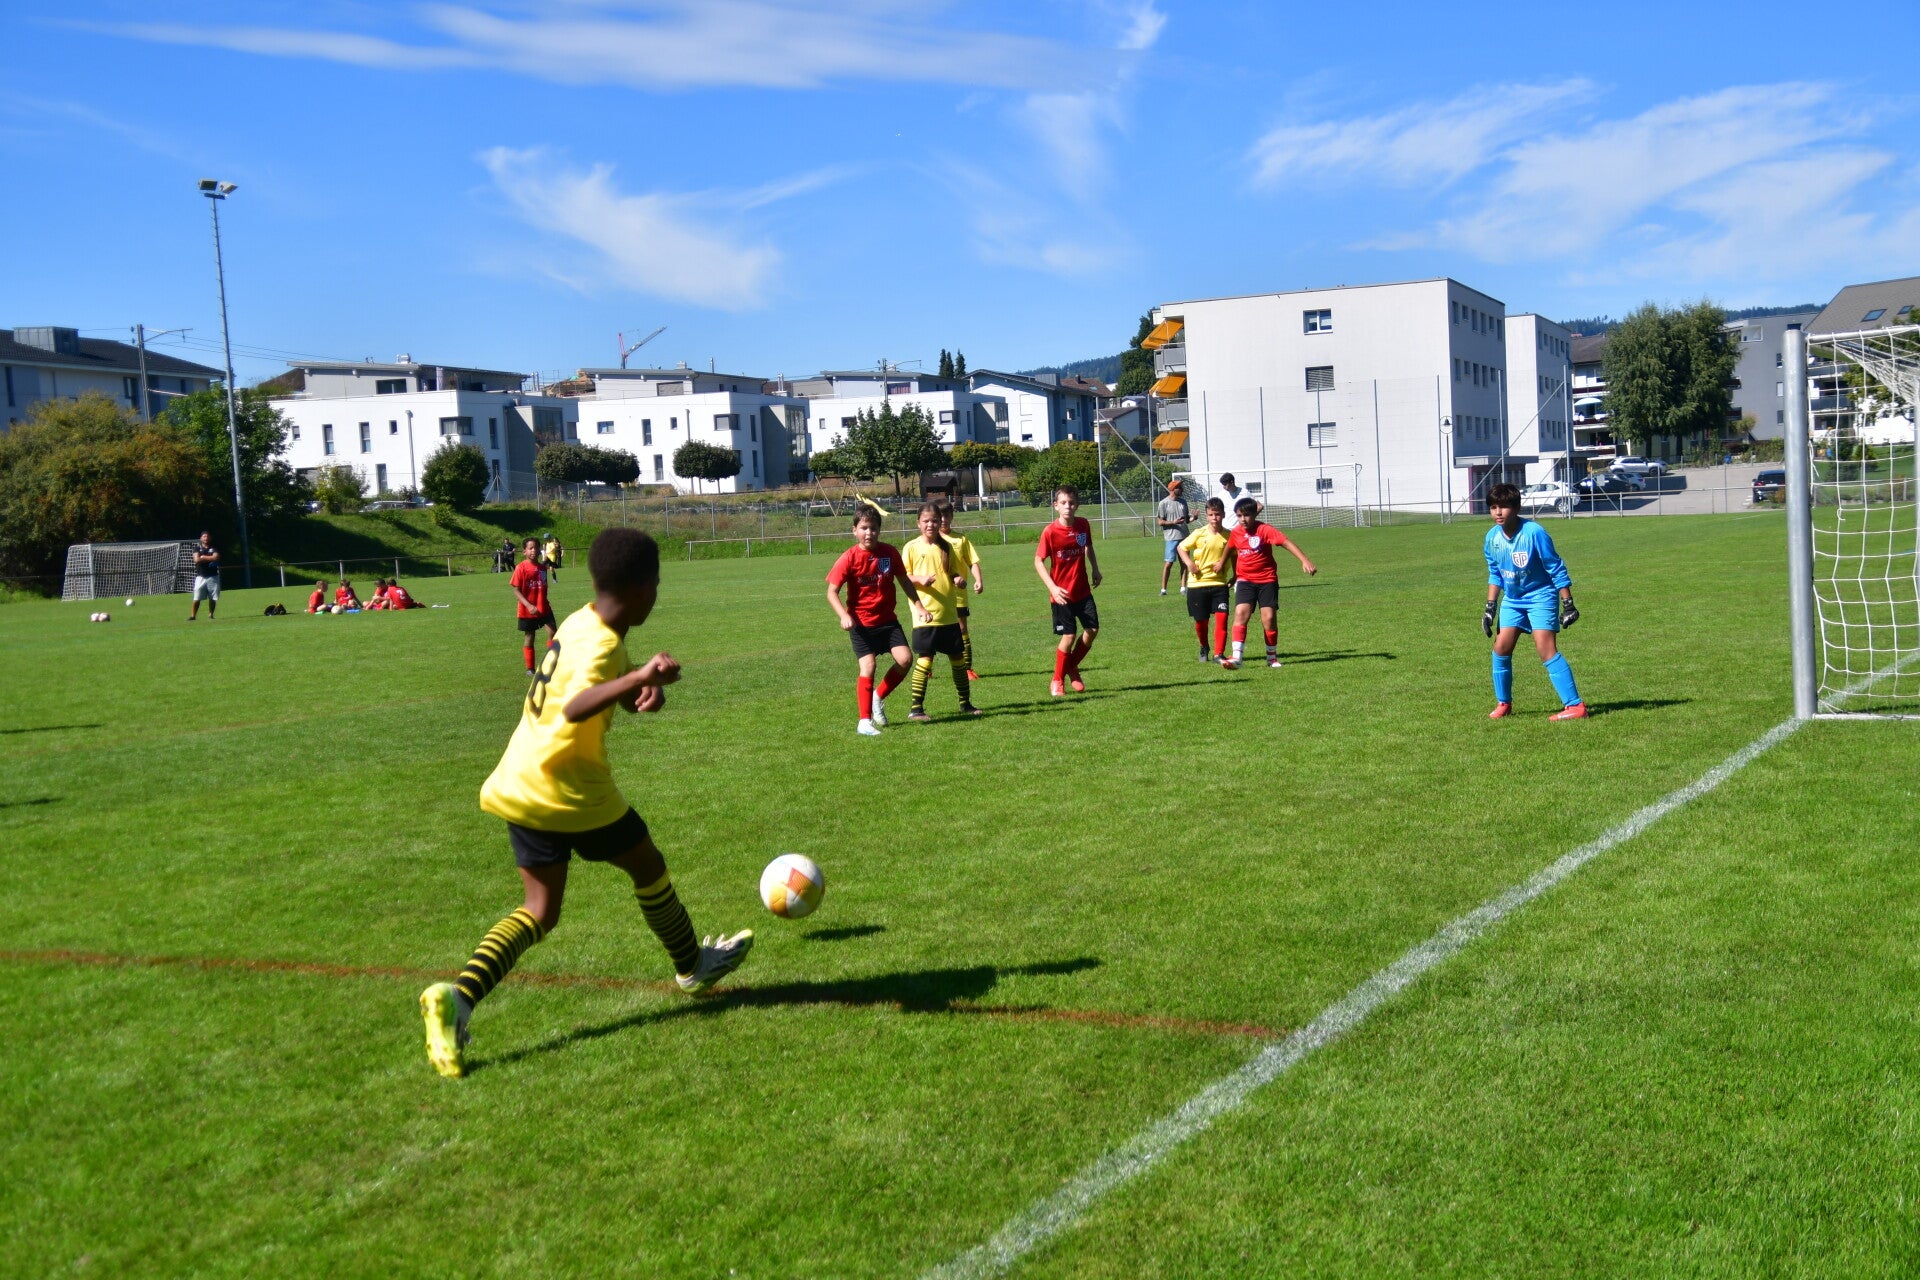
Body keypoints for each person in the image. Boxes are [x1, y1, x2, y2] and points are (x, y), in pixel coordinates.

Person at [418, 528, 754, 1078]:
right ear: (644, 589)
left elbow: (606, 686)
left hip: (521, 779)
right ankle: (692, 966)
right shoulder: (601, 644)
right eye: (657, 584)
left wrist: (641, 691)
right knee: (648, 866)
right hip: (572, 790)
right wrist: (640, 675)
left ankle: (458, 998)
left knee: (539, 910)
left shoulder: (582, 620)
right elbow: (576, 705)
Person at [1483, 482, 1586, 720]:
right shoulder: (1491, 538)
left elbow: (1555, 567)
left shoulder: (1534, 533)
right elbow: (1495, 573)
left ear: (1517, 508)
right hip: (1513, 599)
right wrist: (1490, 607)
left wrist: (1568, 603)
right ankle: (1504, 703)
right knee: (1500, 648)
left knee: (1545, 649)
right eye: (1494, 507)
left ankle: (1576, 707)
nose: (1498, 512)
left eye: (1504, 507)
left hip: (1541, 596)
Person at [825, 507, 922, 737]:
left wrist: (919, 606)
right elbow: (831, 592)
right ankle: (864, 721)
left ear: (879, 530)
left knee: (905, 659)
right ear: (854, 530)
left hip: (887, 622)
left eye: (873, 528)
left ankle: (878, 696)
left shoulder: (889, 553)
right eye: (864, 528)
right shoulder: (848, 558)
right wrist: (844, 615)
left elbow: (904, 581)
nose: (869, 533)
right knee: (868, 666)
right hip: (862, 625)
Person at [902, 502, 980, 721]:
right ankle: (916, 709)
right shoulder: (911, 547)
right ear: (918, 523)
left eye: (934, 521)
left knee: (957, 658)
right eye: (926, 521)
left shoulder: (946, 546)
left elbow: (952, 571)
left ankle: (965, 704)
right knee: (925, 658)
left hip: (948, 613)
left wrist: (958, 579)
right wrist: (920, 579)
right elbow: (903, 576)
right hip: (925, 614)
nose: (931, 525)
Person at [1223, 497, 1316, 670]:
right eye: (1239, 516)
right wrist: (1223, 564)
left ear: (1254, 514)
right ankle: (1237, 658)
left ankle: (1271, 657)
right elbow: (1229, 547)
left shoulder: (1265, 529)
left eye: (1246, 515)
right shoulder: (1236, 532)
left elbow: (1286, 543)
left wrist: (1304, 560)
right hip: (1245, 580)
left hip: (1267, 579)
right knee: (1241, 613)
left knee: (1269, 618)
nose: (1243, 519)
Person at [1034, 485, 1102, 697]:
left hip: (1082, 591)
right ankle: (1057, 680)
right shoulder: (1050, 532)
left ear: (1077, 505)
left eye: (1071, 503)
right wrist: (1053, 588)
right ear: (1056, 506)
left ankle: (1071, 666)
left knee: (1092, 630)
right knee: (1069, 636)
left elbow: (1088, 546)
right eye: (1063, 503)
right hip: (1061, 595)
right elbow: (1038, 561)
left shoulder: (1083, 525)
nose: (1068, 507)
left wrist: (1095, 569)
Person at [1176, 498, 1234, 662]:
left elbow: (1235, 555)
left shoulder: (1229, 536)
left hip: (1219, 584)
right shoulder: (1199, 533)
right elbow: (1181, 547)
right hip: (1197, 584)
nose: (1214, 518)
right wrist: (1189, 564)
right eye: (1211, 515)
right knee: (1201, 622)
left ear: (1223, 514)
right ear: (1207, 516)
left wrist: (1236, 575)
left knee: (1222, 619)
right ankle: (1204, 646)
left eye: (1217, 514)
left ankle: (1218, 654)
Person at [937, 505, 985, 680]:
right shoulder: (930, 540)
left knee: (962, 629)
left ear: (952, 516)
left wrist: (978, 580)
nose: (943, 520)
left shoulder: (961, 539)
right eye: (940, 516)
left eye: (947, 515)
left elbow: (972, 562)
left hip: (958, 594)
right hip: (938, 594)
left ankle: (967, 669)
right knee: (933, 630)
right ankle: (926, 667)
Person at [512, 538, 558, 672]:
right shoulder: (520, 568)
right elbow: (516, 590)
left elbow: (542, 586)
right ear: (524, 551)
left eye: (536, 548)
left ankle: (550, 664)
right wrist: (528, 605)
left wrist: (542, 600)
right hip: (527, 610)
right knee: (530, 636)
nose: (534, 550)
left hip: (544, 607)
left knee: (553, 632)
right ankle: (530, 668)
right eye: (530, 548)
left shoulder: (543, 568)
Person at [1156, 480, 1191, 595]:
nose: (1181, 489)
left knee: (1184, 563)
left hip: (1184, 537)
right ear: (1172, 489)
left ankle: (1183, 588)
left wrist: (1194, 518)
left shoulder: (1183, 502)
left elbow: (1187, 520)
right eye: (1179, 487)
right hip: (1171, 538)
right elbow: (1160, 522)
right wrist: (1173, 522)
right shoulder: (1163, 503)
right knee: (1168, 564)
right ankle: (1163, 589)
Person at [187, 531, 220, 620]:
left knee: (213, 597)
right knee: (197, 597)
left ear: (210, 538)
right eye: (204, 536)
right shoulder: (197, 548)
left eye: (207, 536)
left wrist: (203, 557)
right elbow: (196, 560)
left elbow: (216, 557)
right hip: (200, 576)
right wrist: (210, 558)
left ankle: (211, 615)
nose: (206, 538)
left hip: (213, 576)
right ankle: (193, 616)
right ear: (201, 538)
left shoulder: (214, 548)